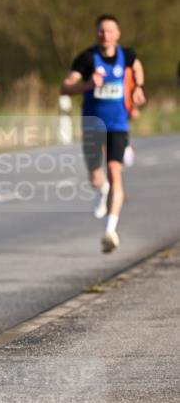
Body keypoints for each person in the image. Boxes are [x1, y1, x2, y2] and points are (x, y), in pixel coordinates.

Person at [61, 14, 146, 253]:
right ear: (96, 33)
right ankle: (102, 190)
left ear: (117, 34)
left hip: (117, 125)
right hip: (92, 123)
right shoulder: (87, 59)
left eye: (109, 31)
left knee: (115, 172)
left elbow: (137, 68)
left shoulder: (127, 55)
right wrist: (87, 85)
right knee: (96, 177)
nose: (105, 35)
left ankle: (110, 230)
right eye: (101, 31)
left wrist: (138, 89)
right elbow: (65, 87)